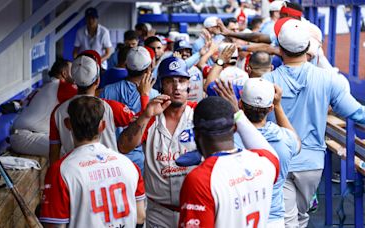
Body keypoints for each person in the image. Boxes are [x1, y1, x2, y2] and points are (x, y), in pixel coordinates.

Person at [263, 18, 365, 228]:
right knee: (300, 217)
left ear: (280, 49)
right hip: (312, 164)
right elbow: (356, 112)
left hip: (278, 160)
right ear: (308, 48)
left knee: (288, 219)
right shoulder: (328, 79)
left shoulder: (266, 81)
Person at [40, 96, 146, 227]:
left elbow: (55, 226)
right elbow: (140, 217)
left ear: (68, 124)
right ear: (102, 126)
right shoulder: (130, 166)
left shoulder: (60, 171)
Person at [117, 57, 197, 227]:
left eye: (182, 81)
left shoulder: (199, 114)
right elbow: (123, 146)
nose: (176, 87)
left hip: (193, 209)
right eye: (170, 81)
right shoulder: (150, 116)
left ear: (189, 85)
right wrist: (145, 115)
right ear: (161, 85)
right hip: (158, 213)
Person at [178, 96, 280, 228]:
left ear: (196, 134)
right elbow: (270, 153)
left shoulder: (201, 179)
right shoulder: (265, 163)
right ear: (235, 128)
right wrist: (239, 116)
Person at [49, 52, 150, 165]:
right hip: (108, 173)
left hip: (74, 174)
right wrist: (144, 96)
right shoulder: (111, 107)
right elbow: (141, 123)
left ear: (74, 81)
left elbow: (54, 153)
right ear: (97, 81)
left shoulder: (58, 111)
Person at [231, 78, 300, 228]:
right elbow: (297, 143)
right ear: (270, 109)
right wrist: (278, 105)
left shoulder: (229, 139)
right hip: (273, 219)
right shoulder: (285, 138)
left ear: (240, 104)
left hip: (238, 217)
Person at [100, 46, 159, 173]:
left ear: (126, 66)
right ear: (149, 68)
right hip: (138, 161)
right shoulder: (155, 96)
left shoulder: (107, 91)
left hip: (109, 159)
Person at [10, 58, 76, 157]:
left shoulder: (46, 86)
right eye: (73, 70)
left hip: (28, 135)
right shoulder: (60, 86)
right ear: (64, 73)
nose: (76, 74)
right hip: (26, 136)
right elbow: (85, 98)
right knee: (71, 151)